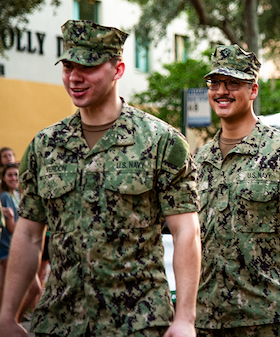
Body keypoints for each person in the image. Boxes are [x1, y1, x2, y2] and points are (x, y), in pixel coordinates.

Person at [0, 20, 201, 337]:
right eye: (68, 65)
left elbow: (186, 231)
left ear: (118, 70)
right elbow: (28, 235)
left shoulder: (162, 142)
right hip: (60, 321)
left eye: (88, 66)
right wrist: (7, 315)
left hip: (138, 321)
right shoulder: (45, 145)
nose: (74, 77)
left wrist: (185, 318)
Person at [194, 44, 280, 337]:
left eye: (233, 83)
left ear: (253, 90)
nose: (221, 91)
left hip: (269, 315)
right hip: (208, 318)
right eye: (215, 83)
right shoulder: (200, 159)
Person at [0, 163, 42, 321]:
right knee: (34, 288)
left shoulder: (15, 195)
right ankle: (10, 321)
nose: (14, 178)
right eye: (9, 175)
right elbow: (12, 228)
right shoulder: (5, 196)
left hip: (14, 249)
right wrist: (32, 225)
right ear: (3, 178)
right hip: (9, 249)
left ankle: (10, 321)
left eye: (16, 174)